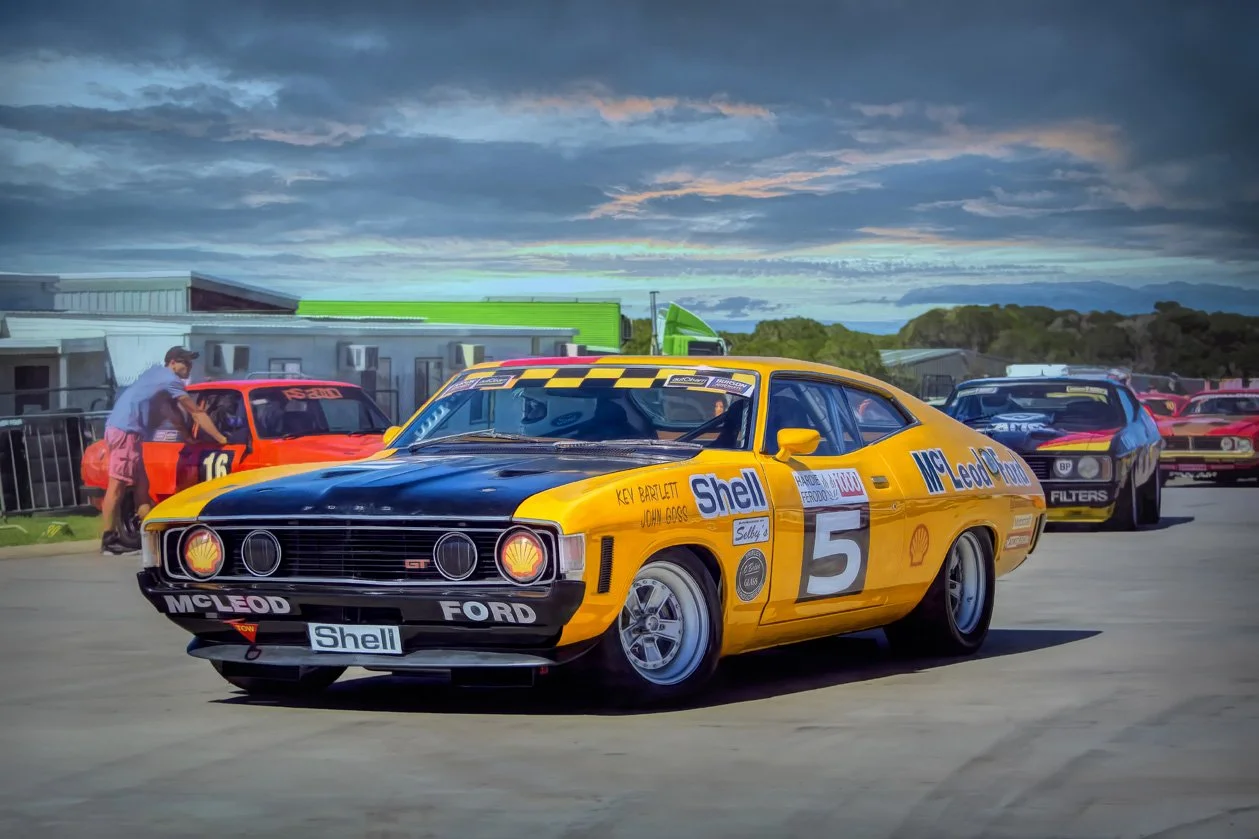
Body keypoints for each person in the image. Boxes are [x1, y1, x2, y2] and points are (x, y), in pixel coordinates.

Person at [100, 346, 227, 555]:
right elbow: (196, 412)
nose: (189, 366)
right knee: (117, 486)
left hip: (125, 431)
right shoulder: (170, 380)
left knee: (142, 487)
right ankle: (109, 541)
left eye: (190, 362)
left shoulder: (155, 375)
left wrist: (187, 437)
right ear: (172, 363)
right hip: (126, 432)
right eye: (185, 362)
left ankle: (149, 538)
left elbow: (170, 412)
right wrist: (221, 439)